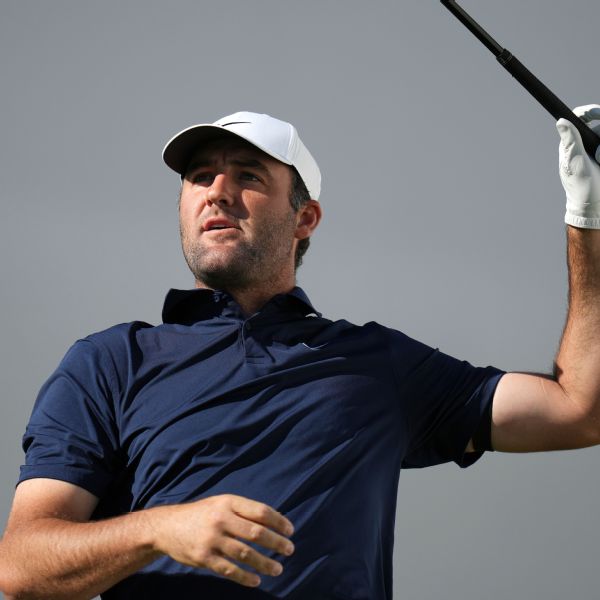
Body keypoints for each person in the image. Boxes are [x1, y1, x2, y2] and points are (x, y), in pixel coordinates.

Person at [1, 106, 600, 600]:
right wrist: (159, 530)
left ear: (304, 218)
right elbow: (20, 567)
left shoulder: (376, 362)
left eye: (248, 177)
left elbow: (579, 409)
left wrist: (588, 218)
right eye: (200, 177)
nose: (217, 193)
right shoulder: (109, 362)